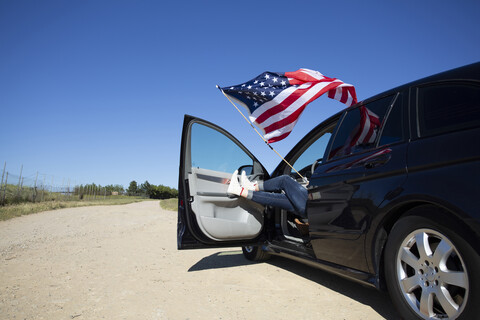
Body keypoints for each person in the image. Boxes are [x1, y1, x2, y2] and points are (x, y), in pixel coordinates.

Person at [227, 170, 309, 219]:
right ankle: (239, 190)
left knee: (284, 180)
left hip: (311, 206)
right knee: (275, 198)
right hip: (312, 212)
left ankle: (252, 187)